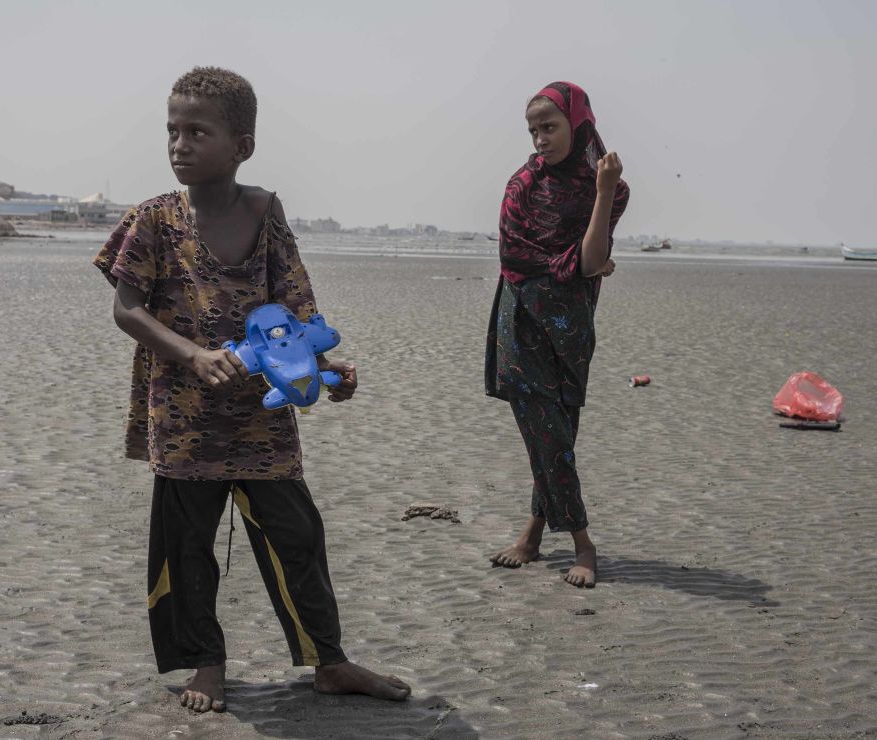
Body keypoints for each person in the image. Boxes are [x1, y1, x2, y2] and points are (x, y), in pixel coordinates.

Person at [93, 66, 410, 713]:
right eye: (173, 130)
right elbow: (127, 310)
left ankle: (329, 660)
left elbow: (295, 309)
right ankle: (206, 664)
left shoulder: (266, 214)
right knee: (187, 550)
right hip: (185, 419)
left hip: (261, 422)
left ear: (243, 145)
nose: (180, 143)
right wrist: (193, 355)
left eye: (198, 132)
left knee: (298, 536)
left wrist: (329, 369)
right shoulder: (152, 220)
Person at [485, 81, 629, 588]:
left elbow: (590, 259)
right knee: (546, 434)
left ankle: (532, 531)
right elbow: (516, 258)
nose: (540, 139)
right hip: (521, 321)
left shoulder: (606, 187)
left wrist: (605, 191)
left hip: (572, 326)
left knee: (558, 436)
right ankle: (584, 544)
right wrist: (585, 266)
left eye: (549, 127)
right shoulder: (522, 185)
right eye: (533, 130)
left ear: (578, 123)